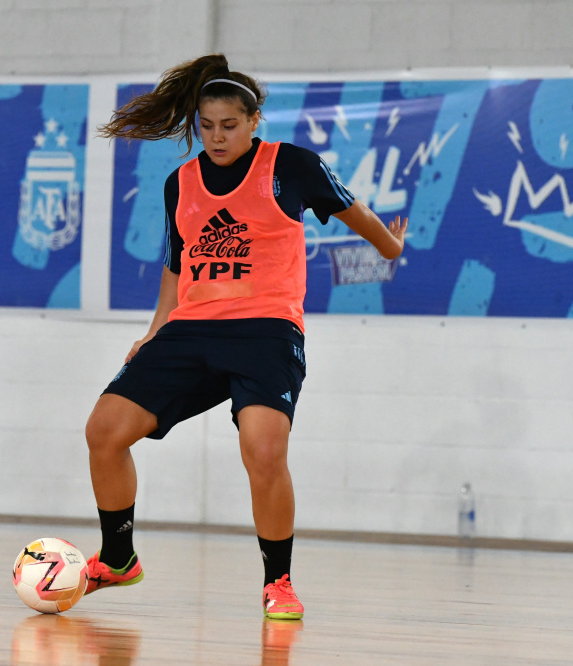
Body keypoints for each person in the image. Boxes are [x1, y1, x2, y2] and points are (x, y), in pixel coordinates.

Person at [82, 54, 407, 620]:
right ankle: (118, 558)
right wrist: (153, 332)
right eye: (205, 127)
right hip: (191, 329)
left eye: (228, 126)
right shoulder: (179, 182)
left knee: (262, 450)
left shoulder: (291, 166)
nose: (216, 137)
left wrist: (391, 248)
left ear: (254, 120)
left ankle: (277, 581)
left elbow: (356, 214)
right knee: (104, 430)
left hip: (266, 330)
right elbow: (175, 264)